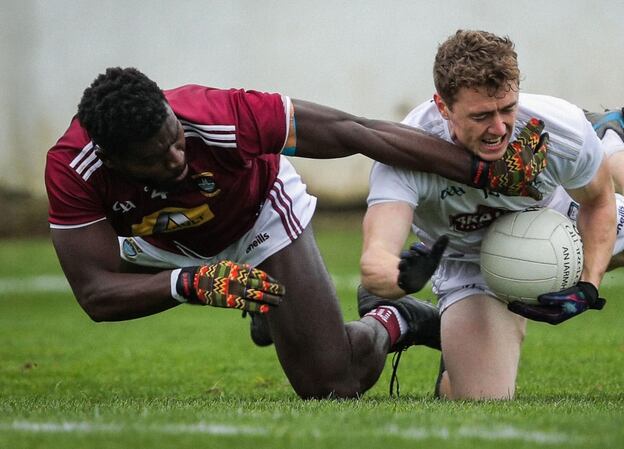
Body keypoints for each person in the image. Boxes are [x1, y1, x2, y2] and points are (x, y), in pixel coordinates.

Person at [44, 67, 548, 399]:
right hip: (162, 247)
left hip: (257, 213)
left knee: (331, 386)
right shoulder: (74, 170)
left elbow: (357, 131)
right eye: (152, 159)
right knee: (153, 270)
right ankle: (272, 314)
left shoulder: (221, 114)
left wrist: (479, 172)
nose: (175, 158)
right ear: (111, 159)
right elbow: (95, 293)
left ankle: (393, 320)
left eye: (173, 140)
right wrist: (190, 283)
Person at [358, 30, 624, 400]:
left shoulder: (558, 126)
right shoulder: (406, 154)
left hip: (558, 220)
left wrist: (588, 286)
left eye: (507, 109)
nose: (499, 128)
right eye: (481, 115)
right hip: (470, 261)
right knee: (481, 399)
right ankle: (440, 337)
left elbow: (597, 205)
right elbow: (375, 261)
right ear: (443, 106)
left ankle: (610, 145)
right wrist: (401, 278)